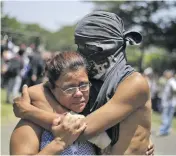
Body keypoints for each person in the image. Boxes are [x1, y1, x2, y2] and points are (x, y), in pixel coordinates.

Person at [12, 11, 153, 155]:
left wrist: (29, 112)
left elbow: (82, 130)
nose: (82, 54)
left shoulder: (133, 83)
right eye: (79, 46)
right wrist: (63, 116)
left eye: (90, 48)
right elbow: (36, 92)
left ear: (111, 46)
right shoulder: (90, 78)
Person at [10, 51, 101, 155]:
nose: (79, 93)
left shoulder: (92, 115)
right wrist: (59, 143)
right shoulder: (32, 124)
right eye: (69, 88)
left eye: (84, 85)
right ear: (52, 88)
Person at [157, 71, 176, 136]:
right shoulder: (169, 81)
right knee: (169, 117)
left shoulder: (171, 81)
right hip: (170, 103)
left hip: (168, 103)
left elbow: (174, 89)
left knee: (165, 117)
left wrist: (171, 94)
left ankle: (163, 131)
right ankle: (167, 130)